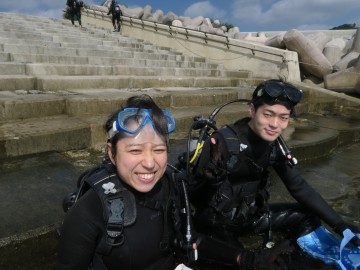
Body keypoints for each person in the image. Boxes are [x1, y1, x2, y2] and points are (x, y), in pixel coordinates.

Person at [56, 94, 294, 270]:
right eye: (135, 151)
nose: (150, 163)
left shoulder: (170, 185)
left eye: (159, 150)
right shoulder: (90, 211)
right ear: (111, 153)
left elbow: (190, 240)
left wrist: (245, 258)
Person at [187, 79, 360, 267]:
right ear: (252, 110)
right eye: (268, 114)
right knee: (247, 262)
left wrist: (341, 226)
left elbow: (299, 187)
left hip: (250, 217)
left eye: (283, 117)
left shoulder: (274, 145)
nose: (275, 125)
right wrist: (209, 180)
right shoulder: (222, 143)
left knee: (307, 215)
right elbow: (192, 199)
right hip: (215, 224)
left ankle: (290, 254)